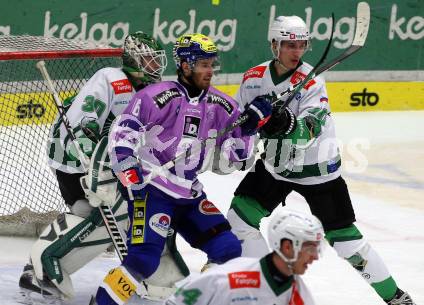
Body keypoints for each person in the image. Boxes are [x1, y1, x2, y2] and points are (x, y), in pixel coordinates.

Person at [226, 15, 416, 305]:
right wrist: (245, 128)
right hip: (276, 167)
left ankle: (397, 298)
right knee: (238, 220)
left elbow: (308, 131)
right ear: (274, 44)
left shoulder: (312, 82)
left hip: (318, 174)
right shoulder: (253, 78)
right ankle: (266, 289)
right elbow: (238, 121)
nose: (297, 52)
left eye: (302, 45)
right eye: (290, 45)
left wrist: (284, 122)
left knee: (347, 244)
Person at [92, 33, 272, 305]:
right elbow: (123, 132)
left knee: (228, 248)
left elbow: (237, 157)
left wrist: (249, 129)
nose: (210, 71)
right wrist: (128, 167)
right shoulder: (155, 96)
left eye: (212, 64)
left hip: (189, 194)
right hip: (153, 190)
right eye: (203, 64)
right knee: (143, 260)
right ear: (185, 65)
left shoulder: (222, 105)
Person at [19, 32, 190, 303]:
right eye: (147, 59)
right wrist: (91, 164)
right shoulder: (111, 79)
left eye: (157, 60)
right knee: (99, 219)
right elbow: (79, 122)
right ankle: (40, 274)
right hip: (76, 162)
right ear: (132, 58)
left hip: (109, 166)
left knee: (142, 211)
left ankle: (148, 275)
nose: (154, 66)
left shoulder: (148, 92)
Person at [165, 209, 324, 305]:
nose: (315, 257)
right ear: (287, 247)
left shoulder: (298, 294)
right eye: (310, 249)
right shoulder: (228, 278)